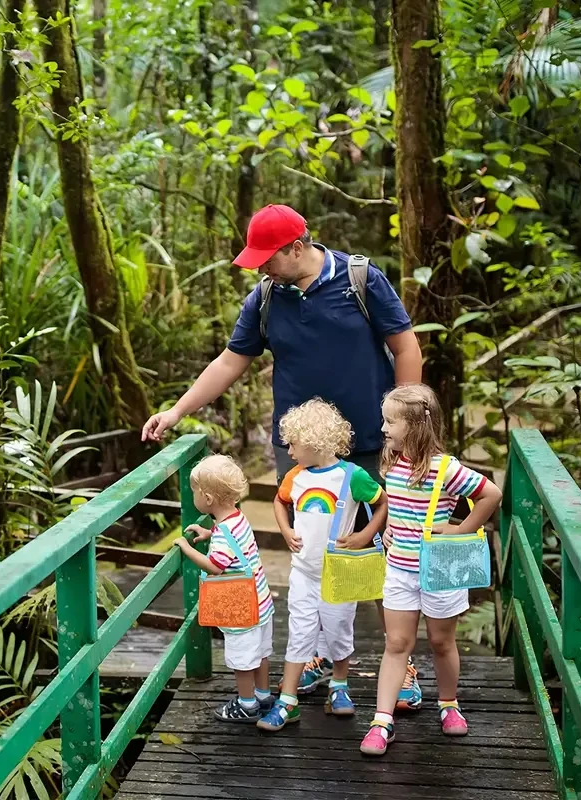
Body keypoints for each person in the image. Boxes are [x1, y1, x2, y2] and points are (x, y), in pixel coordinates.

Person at [142, 203, 425, 702]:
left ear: (298, 248)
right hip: (301, 453)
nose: (260, 268)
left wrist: (407, 426)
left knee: (378, 548)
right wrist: (177, 411)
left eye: (267, 258)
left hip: (370, 444)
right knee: (310, 552)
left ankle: (400, 665)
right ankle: (317, 655)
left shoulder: (361, 280)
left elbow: (405, 347)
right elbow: (231, 361)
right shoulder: (266, 298)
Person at [359, 385, 503, 756]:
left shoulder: (447, 468)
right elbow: (398, 502)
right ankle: (381, 720)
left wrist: (461, 529)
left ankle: (448, 703)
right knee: (396, 644)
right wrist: (391, 527)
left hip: (441, 568)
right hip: (400, 571)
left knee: (441, 642)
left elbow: (491, 494)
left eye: (391, 421)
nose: (384, 428)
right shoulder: (391, 460)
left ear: (417, 426)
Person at [257, 399, 387, 732]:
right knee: (299, 634)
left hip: (339, 573)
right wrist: (285, 529)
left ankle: (339, 687)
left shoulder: (352, 476)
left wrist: (365, 534)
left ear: (315, 442)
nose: (288, 449)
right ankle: (288, 700)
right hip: (302, 572)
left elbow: (381, 502)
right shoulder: (295, 477)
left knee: (340, 630)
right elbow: (279, 500)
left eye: (293, 443)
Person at [173, 454, 275, 723]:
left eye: (194, 491)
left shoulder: (224, 532)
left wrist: (186, 549)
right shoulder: (237, 519)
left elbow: (215, 565)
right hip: (261, 602)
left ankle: (247, 704)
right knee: (261, 653)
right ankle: (263, 696)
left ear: (207, 499)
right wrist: (211, 534)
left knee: (243, 660)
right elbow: (231, 541)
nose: (192, 495)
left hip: (242, 610)